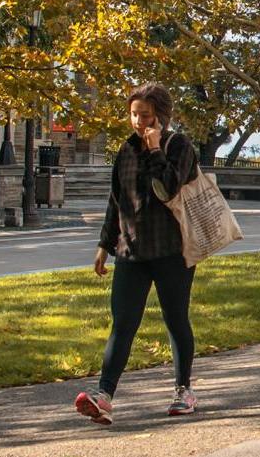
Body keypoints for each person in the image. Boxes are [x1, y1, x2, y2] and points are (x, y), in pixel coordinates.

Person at [75, 82, 202, 426]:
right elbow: (116, 200)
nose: (138, 121)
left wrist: (157, 149)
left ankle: (184, 391)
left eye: (145, 115)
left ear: (161, 116)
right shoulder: (126, 150)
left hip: (171, 251)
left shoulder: (180, 146)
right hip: (130, 251)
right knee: (123, 323)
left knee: (176, 320)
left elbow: (167, 189)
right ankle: (104, 397)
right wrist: (105, 243)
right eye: (134, 114)